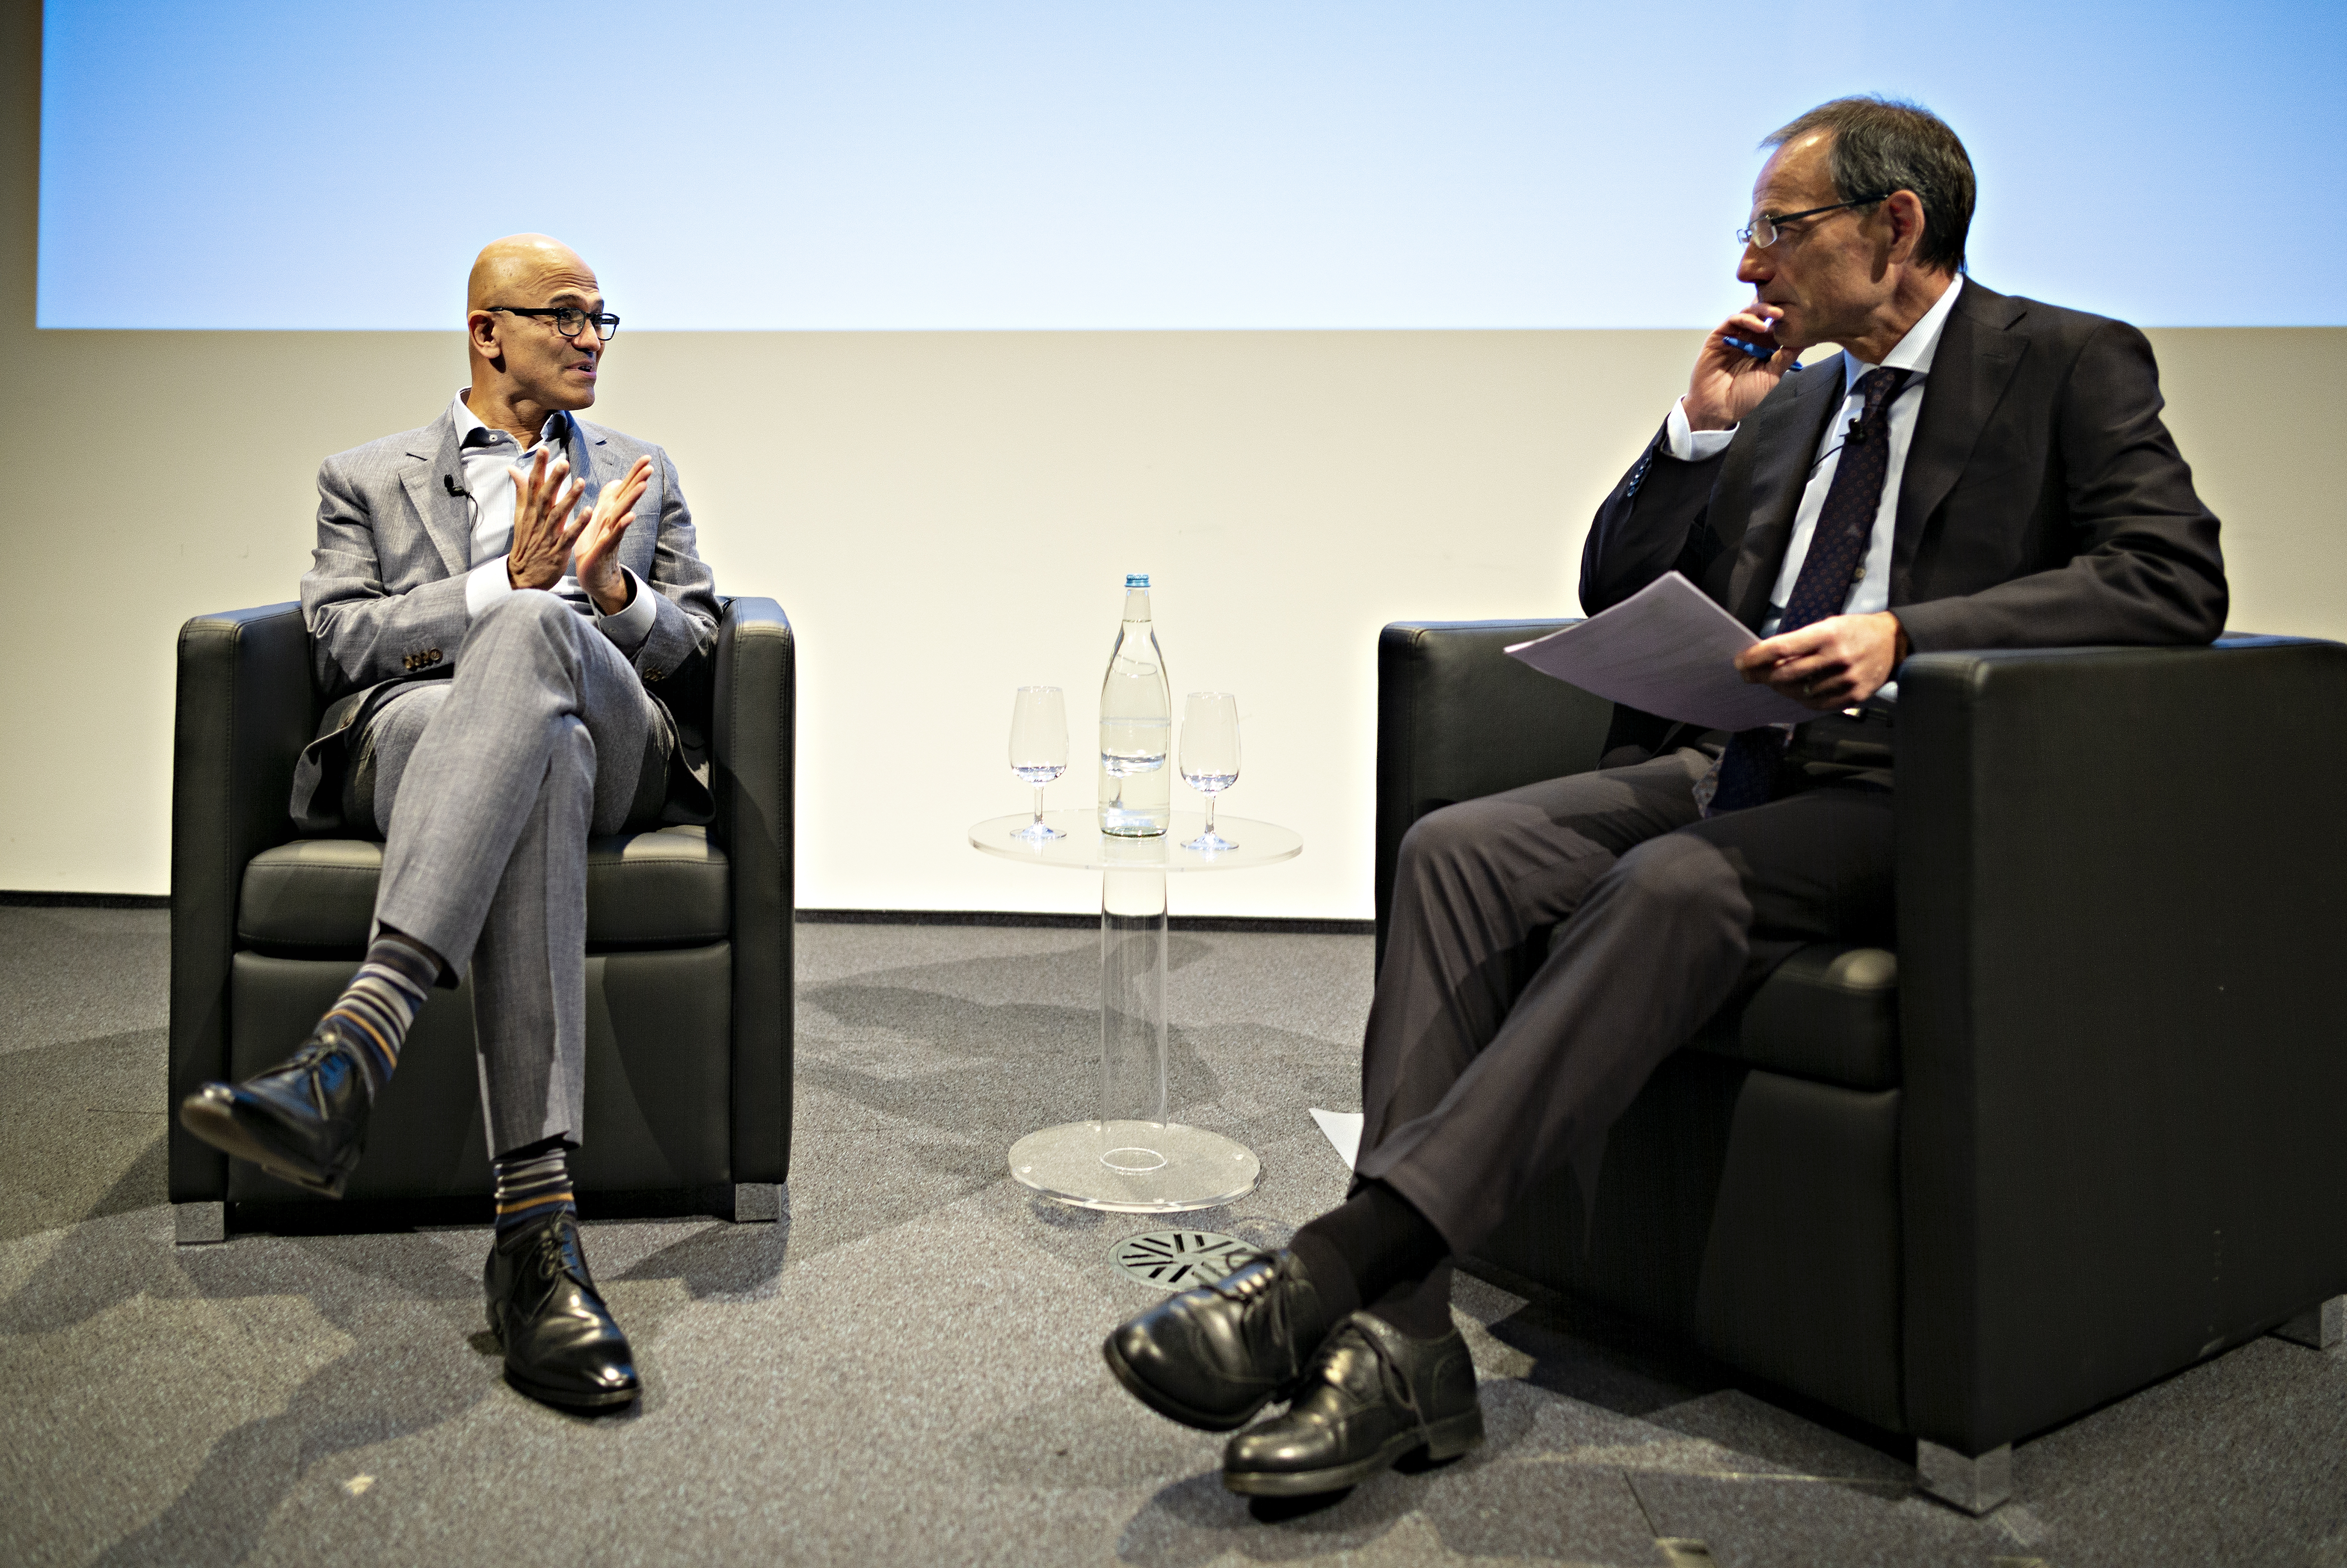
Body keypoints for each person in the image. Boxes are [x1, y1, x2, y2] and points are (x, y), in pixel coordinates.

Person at [1102, 96, 2228, 1497]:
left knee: (1678, 881)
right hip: (1728, 760)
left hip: (1913, 785)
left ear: (1897, 229)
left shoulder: (2065, 360)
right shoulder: (1798, 392)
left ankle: (1330, 1275)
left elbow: (2172, 578)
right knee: (1457, 848)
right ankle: (1405, 1351)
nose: (1750, 265)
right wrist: (1699, 441)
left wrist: (1910, 637)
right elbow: (1616, 588)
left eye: (1780, 229)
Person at [179, 234, 720, 1413]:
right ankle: (537, 1239)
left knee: (544, 648)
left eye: (600, 319)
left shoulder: (640, 468)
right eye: (564, 316)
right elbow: (336, 640)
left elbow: (704, 644)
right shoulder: (365, 476)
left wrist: (609, 595)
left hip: (617, 720)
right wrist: (490, 586)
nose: (592, 338)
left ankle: (356, 1048)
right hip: (422, 737)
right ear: (488, 332)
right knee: (544, 746)